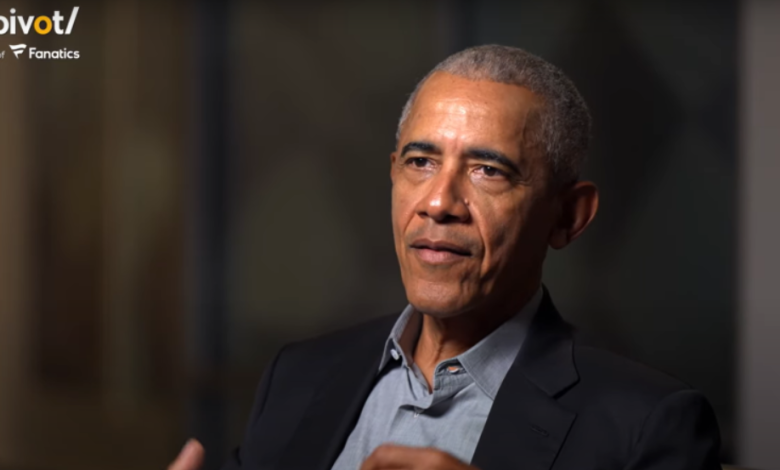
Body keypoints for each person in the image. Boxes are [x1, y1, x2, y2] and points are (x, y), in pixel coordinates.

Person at [169, 45, 721, 470]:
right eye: (421, 162)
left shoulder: (647, 423)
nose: (438, 203)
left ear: (568, 217)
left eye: (488, 170)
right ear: (393, 174)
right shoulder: (297, 377)